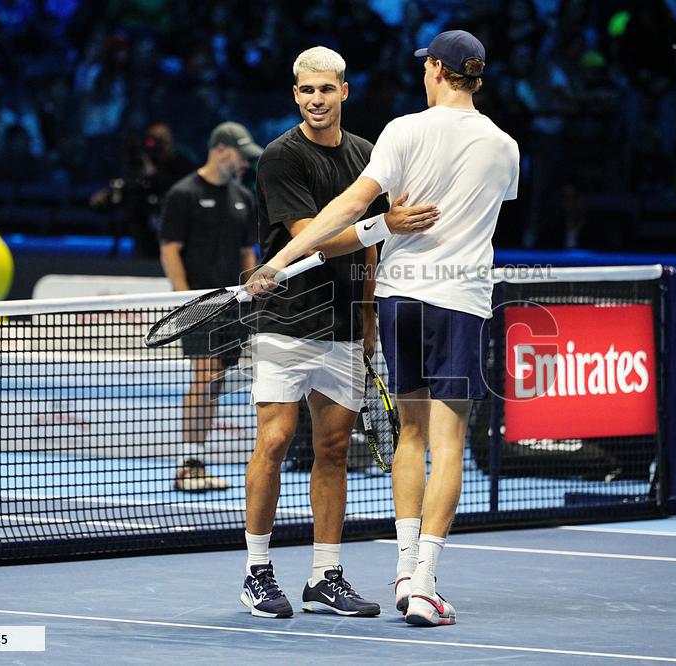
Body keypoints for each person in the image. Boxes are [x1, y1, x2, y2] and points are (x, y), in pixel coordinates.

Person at [246, 30, 519, 627]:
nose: (423, 74)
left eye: (428, 67)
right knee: (445, 443)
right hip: (458, 299)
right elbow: (484, 208)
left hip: (398, 302)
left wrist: (274, 265)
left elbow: (349, 208)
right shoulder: (505, 146)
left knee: (405, 437)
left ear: (441, 72)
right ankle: (422, 581)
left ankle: (395, 570)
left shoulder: (400, 131)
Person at [239, 46, 439, 619]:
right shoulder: (280, 157)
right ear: (295, 94)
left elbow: (371, 246)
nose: (317, 100)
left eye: (326, 89)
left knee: (332, 450)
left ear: (344, 92)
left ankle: (325, 576)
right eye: (306, 91)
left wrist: (370, 309)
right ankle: (257, 571)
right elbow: (313, 237)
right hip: (285, 320)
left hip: (345, 324)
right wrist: (382, 220)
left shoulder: (366, 154)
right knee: (275, 440)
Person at [159, 121, 262, 492]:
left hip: (235, 307)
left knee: (214, 381)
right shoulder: (183, 194)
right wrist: (185, 302)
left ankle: (196, 461)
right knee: (204, 378)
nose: (245, 166)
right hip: (198, 305)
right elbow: (170, 249)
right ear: (220, 150)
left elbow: (246, 252)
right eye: (240, 157)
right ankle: (188, 465)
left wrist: (253, 293)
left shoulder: (243, 197)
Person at [91, 122, 195, 257]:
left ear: (170, 140)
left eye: (162, 140)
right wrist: (108, 195)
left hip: (175, 237)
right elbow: (129, 187)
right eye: (153, 139)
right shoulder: (139, 164)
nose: (157, 145)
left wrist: (152, 174)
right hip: (144, 238)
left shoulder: (181, 162)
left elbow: (175, 188)